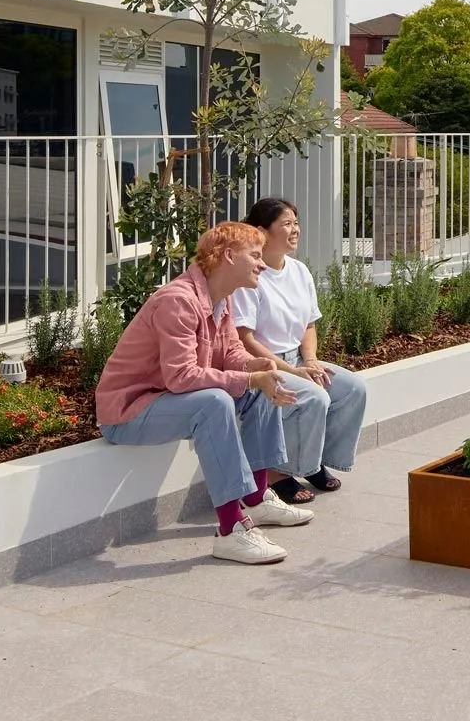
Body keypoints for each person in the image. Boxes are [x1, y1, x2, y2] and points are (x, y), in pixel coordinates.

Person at [95, 219, 312, 564]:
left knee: (262, 387)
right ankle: (230, 530)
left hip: (166, 398)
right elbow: (181, 376)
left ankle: (256, 498)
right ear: (228, 256)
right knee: (214, 402)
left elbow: (229, 354)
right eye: (254, 255)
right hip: (129, 411)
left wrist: (256, 368)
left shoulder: (220, 299)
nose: (260, 263)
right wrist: (247, 379)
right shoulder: (178, 301)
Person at [231, 196, 367, 502]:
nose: (295, 230)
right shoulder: (250, 275)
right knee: (314, 397)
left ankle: (313, 461)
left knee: (352, 389)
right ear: (261, 231)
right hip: (262, 364)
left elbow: (309, 324)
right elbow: (245, 339)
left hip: (297, 357)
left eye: (296, 223)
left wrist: (311, 360)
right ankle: (279, 473)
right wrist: (294, 371)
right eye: (287, 224)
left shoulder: (299, 271)